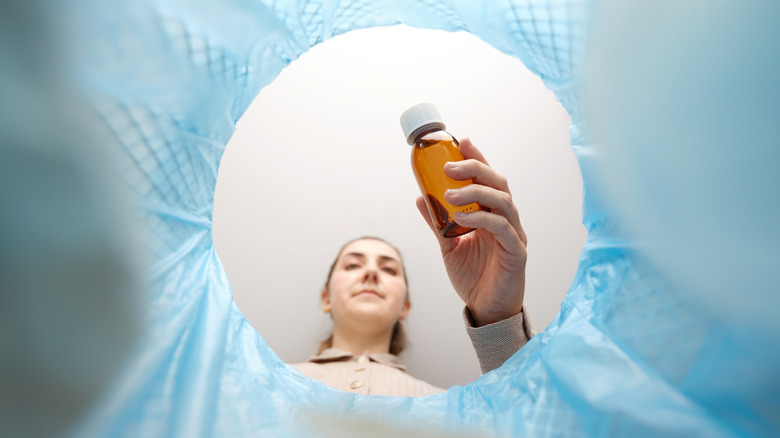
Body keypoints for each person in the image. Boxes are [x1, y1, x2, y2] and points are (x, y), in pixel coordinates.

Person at [293, 138, 535, 396]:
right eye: (353, 264)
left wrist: (498, 321)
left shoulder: (447, 406)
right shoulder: (260, 379)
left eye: (389, 270)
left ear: (405, 306)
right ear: (325, 298)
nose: (371, 272)